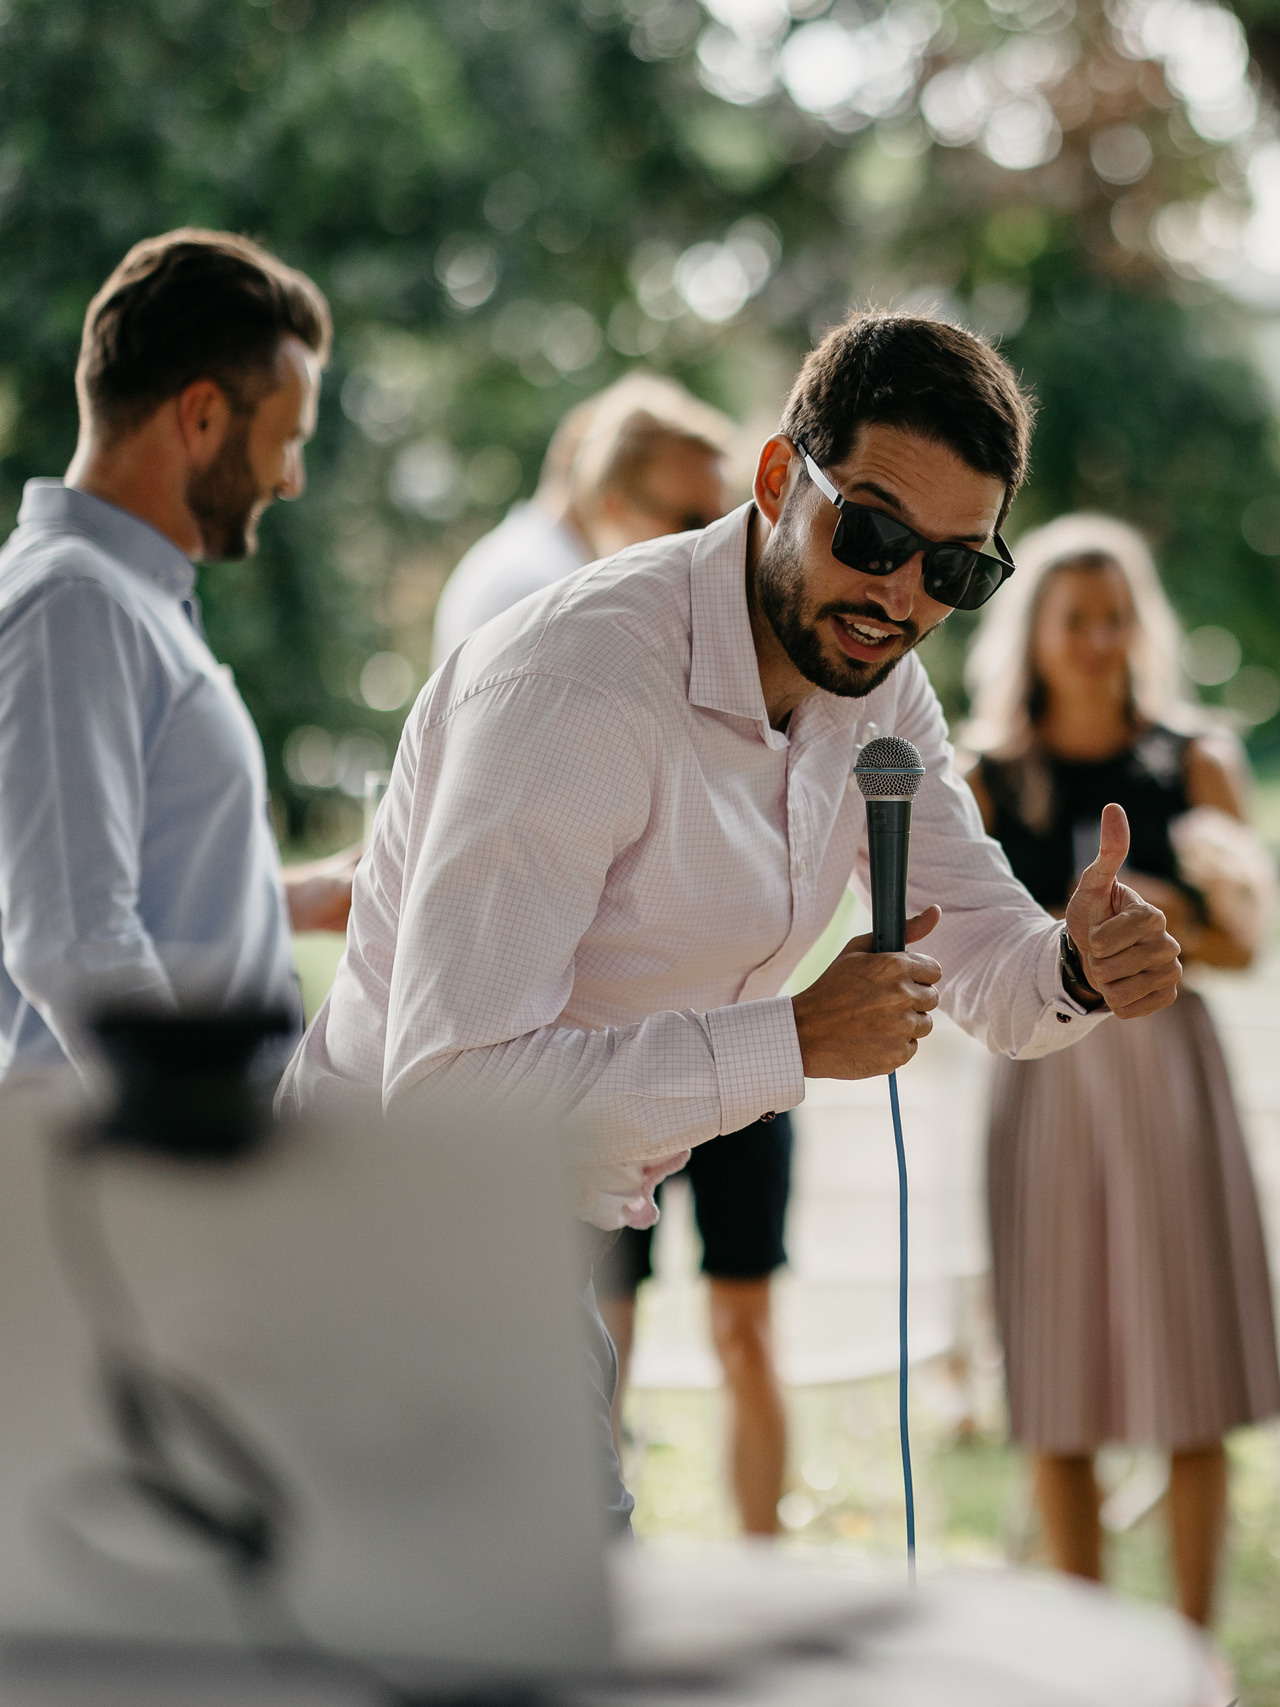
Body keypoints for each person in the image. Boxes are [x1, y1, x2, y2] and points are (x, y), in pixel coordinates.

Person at [280, 312, 1185, 1528]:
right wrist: (793, 1040)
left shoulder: (881, 687)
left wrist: (1076, 964)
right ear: (776, 480)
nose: (899, 595)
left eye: (954, 570)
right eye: (870, 532)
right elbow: (448, 1100)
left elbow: (976, 940)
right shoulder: (577, 686)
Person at [429, 376, 786, 1536]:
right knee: (591, 1339)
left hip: (701, 1012)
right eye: (686, 519)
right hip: (576, 1056)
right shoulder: (547, 609)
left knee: (727, 1320)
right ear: (608, 494)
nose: (714, 549)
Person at [960, 514, 1280, 1630]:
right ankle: (1088, 1660)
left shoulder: (1194, 759)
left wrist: (1176, 908)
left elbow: (1247, 946)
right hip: (1044, 1083)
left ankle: (1195, 1660)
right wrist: (1069, 940)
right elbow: (959, 950)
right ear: (1033, 634)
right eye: (1075, 620)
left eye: (1116, 619)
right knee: (1057, 1375)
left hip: (1168, 1074)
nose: (1099, 641)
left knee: (1190, 1365)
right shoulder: (988, 780)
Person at [0, 229, 357, 1085]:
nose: (291, 478)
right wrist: (209, 1162)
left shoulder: (124, 602)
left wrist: (301, 898)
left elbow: (119, 885)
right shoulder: (74, 607)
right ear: (201, 415)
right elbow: (75, 943)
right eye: (289, 438)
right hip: (130, 1189)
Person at [431, 372, 735, 663]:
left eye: (722, 524)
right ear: (614, 502)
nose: (707, 545)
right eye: (695, 523)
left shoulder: (549, 569)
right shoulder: (535, 590)